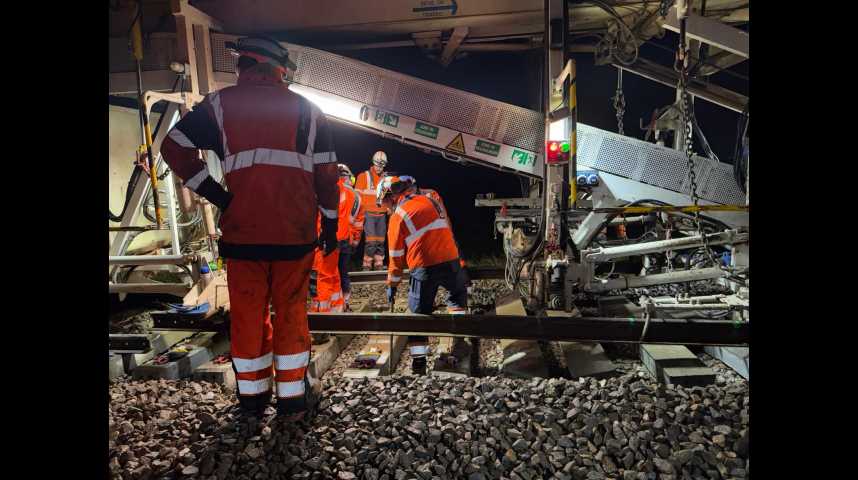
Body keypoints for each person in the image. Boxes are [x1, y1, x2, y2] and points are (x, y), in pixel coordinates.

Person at [160, 36, 339, 419]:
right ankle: (292, 399)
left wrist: (218, 196)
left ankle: (253, 400)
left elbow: (173, 146)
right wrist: (331, 222)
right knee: (291, 312)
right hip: (294, 235)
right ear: (278, 68)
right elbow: (326, 176)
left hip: (243, 234)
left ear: (245, 64)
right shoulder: (309, 110)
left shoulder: (220, 105)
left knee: (247, 315)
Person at [376, 175, 468, 374]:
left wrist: (392, 284)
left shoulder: (398, 216)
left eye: (384, 203)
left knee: (418, 313)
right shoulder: (430, 200)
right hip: (451, 259)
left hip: (424, 265)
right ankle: (459, 340)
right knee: (457, 299)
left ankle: (419, 362)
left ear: (390, 196)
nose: (386, 208)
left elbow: (395, 257)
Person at [354, 151, 388, 270]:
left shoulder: (386, 179)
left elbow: (388, 198)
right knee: (371, 241)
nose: (379, 168)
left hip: (382, 213)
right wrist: (358, 213)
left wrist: (389, 209)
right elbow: (357, 197)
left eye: (381, 166)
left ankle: (379, 263)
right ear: (373, 163)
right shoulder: (363, 176)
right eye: (377, 165)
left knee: (381, 241)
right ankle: (367, 264)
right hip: (368, 213)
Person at [336, 164, 364, 310]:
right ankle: (345, 302)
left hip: (330, 239)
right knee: (343, 271)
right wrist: (355, 241)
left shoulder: (330, 190)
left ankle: (334, 304)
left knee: (329, 274)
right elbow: (358, 223)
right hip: (347, 239)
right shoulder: (357, 197)